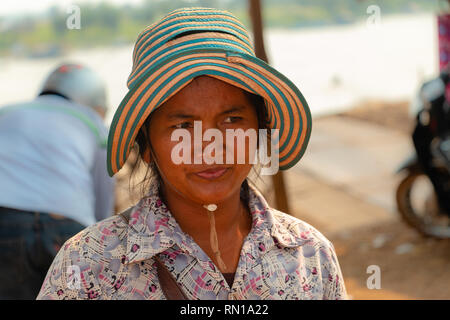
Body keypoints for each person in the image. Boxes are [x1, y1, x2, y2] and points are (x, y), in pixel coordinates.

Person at [37, 8, 347, 300]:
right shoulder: (87, 264)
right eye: (183, 125)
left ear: (259, 132)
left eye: (231, 120)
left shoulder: (309, 255)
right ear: (146, 146)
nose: (210, 147)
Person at [0, 63, 115, 299]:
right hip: (67, 230)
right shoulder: (94, 124)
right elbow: (104, 206)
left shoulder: (6, 113)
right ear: (94, 102)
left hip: (6, 225)